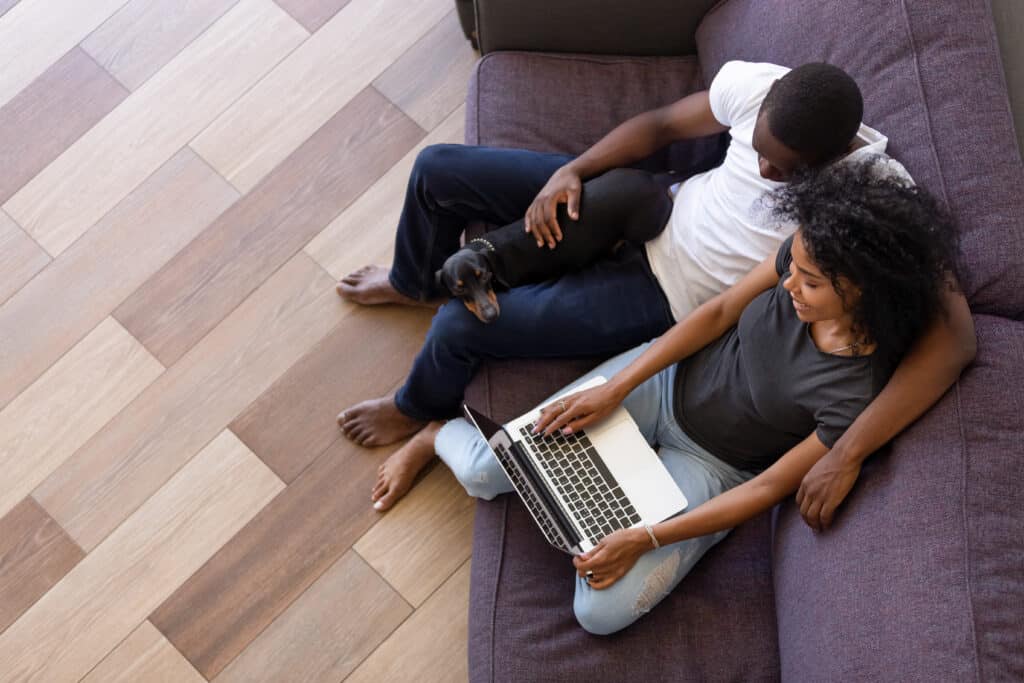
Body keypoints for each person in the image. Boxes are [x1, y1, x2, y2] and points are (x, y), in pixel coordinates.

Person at [344, 61, 976, 522]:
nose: (764, 171)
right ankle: (410, 281)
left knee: (459, 327)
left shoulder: (878, 195)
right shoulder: (767, 90)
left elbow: (955, 339)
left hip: (662, 297)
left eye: (783, 170)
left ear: (832, 156)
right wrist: (574, 170)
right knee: (436, 171)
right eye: (760, 152)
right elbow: (660, 125)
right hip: (642, 206)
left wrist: (851, 452)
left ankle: (414, 408)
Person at [422, 160, 962, 634]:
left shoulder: (859, 389)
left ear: (862, 289)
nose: (790, 283)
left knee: (599, 613)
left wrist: (649, 539)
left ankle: (617, 499)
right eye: (791, 267)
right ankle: (430, 436)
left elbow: (772, 484)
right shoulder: (801, 258)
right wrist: (617, 386)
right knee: (484, 474)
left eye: (811, 281)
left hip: (711, 468)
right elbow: (719, 312)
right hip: (660, 385)